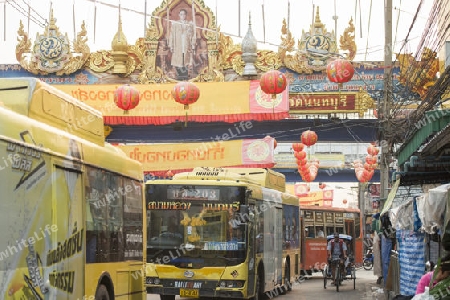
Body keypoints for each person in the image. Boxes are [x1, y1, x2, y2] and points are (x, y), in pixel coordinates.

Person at [168, 8, 196, 74]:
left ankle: (184, 76)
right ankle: (179, 76)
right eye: (181, 14)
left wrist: (193, 44)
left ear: (186, 15)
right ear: (179, 15)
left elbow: (192, 35)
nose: (182, 16)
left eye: (184, 14)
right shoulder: (175, 24)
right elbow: (171, 35)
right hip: (178, 44)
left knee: (185, 59)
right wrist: (171, 46)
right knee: (178, 60)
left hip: (186, 44)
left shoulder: (189, 24)